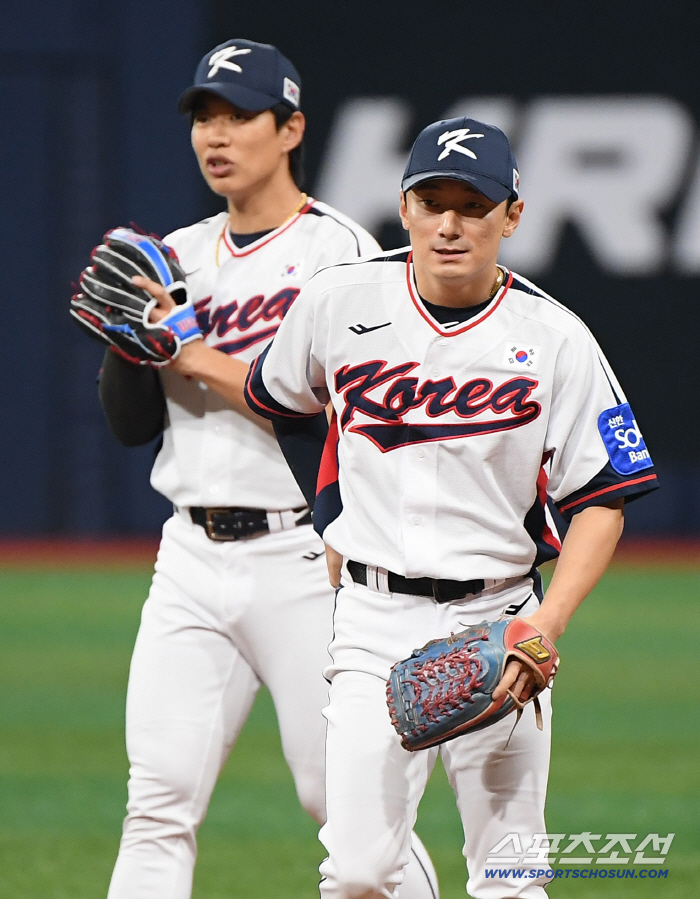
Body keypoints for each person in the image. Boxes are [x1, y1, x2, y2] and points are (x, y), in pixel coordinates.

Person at [244, 115, 659, 898]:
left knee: (509, 873)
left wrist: (546, 624)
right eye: (431, 201)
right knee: (359, 871)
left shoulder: (556, 336)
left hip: (499, 619)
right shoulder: (339, 300)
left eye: (473, 205)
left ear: (512, 215)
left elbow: (604, 499)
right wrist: (331, 514)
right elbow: (280, 398)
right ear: (403, 206)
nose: (449, 224)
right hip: (371, 617)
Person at [98, 39, 439, 899]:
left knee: (343, 805)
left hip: (305, 558)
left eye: (239, 115)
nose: (216, 135)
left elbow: (345, 416)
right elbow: (133, 426)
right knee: (156, 804)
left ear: (290, 129)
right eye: (203, 117)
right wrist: (127, 347)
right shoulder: (177, 254)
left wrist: (192, 352)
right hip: (190, 554)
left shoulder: (339, 252)